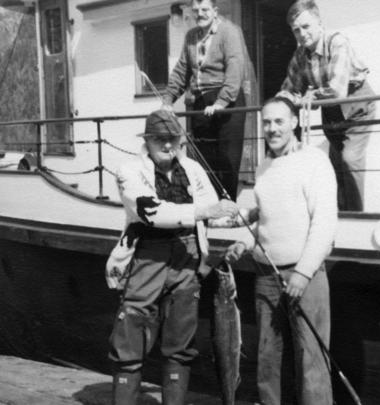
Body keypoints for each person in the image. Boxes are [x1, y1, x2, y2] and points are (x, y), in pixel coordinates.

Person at [104, 109, 238, 405]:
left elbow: (212, 212)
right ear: (147, 141)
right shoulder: (128, 171)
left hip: (187, 256)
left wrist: (243, 215)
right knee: (130, 338)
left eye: (173, 139)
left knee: (180, 342)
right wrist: (207, 211)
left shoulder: (193, 169)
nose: (167, 145)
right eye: (159, 139)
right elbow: (151, 212)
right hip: (146, 257)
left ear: (180, 140)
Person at [224, 97, 338, 405]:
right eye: (266, 122)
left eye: (279, 121)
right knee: (268, 360)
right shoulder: (264, 167)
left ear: (294, 123)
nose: (272, 129)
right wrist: (245, 242)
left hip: (304, 277)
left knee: (312, 361)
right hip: (266, 276)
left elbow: (325, 224)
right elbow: (265, 220)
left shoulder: (315, 161)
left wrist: (303, 272)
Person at [277, 0, 375, 212]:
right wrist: (280, 105)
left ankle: (357, 217)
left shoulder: (337, 42)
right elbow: (289, 90)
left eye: (306, 27)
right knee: (335, 166)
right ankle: (340, 216)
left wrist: (308, 96)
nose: (302, 34)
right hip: (331, 112)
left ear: (320, 24)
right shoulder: (300, 55)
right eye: (296, 30)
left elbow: (337, 91)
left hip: (357, 105)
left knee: (350, 160)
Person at [162, 0, 253, 201]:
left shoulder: (229, 31)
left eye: (205, 9)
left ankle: (228, 207)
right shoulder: (191, 36)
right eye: (196, 11)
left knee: (228, 160)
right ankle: (210, 207)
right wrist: (168, 99)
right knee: (204, 161)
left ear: (215, 11)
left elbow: (235, 67)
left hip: (227, 101)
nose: (200, 14)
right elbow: (182, 71)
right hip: (201, 103)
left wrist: (221, 102)